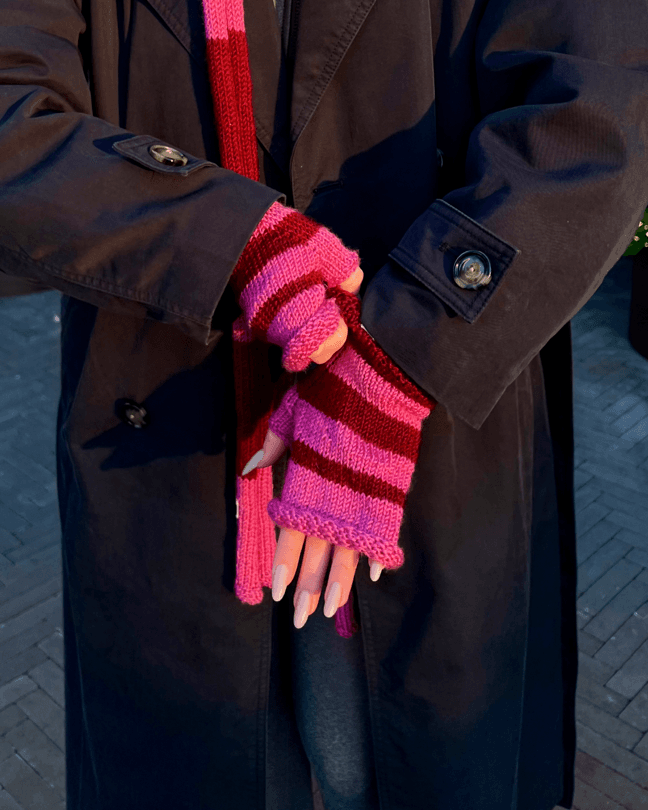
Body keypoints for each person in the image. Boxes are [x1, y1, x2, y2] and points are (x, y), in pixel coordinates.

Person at [0, 0, 647, 808]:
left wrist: (404, 352)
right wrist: (226, 239)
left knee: (412, 761)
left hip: (431, 439)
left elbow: (597, 118)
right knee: (191, 764)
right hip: (169, 441)